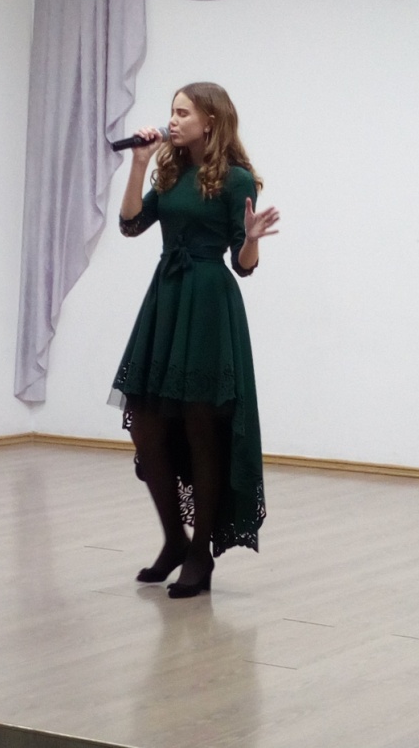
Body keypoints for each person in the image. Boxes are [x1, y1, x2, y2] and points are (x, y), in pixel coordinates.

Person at [108, 82, 279, 598]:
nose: (173, 120)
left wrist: (250, 240)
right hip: (166, 299)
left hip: (207, 303)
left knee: (202, 428)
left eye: (183, 113)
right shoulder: (171, 169)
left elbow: (243, 266)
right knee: (145, 422)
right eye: (172, 112)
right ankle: (174, 541)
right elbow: (131, 225)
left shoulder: (236, 178)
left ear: (211, 121)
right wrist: (139, 163)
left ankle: (200, 554)